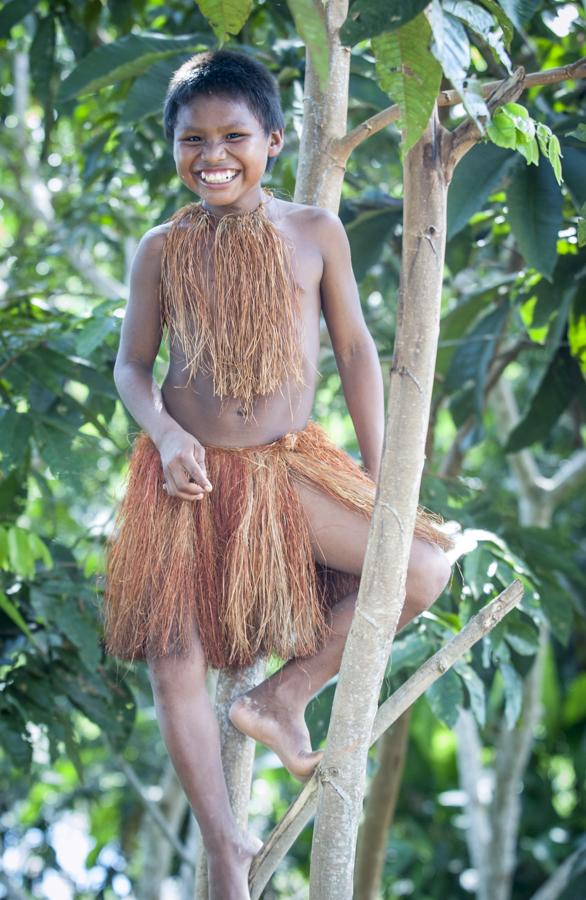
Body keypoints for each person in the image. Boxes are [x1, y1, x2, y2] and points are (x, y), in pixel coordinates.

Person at [103, 49, 453, 900]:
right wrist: (167, 436)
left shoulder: (312, 232)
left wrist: (385, 471)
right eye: (194, 140)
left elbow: (358, 351)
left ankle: (283, 696)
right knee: (173, 653)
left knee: (422, 566)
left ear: (271, 139)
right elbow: (132, 368)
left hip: (287, 470)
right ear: (174, 147)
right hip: (184, 476)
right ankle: (226, 850)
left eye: (234, 136)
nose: (213, 155)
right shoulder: (161, 249)